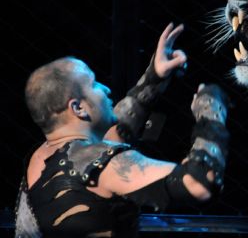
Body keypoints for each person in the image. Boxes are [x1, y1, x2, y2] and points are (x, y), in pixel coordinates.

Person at [14, 23, 231, 238]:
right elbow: (199, 183)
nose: (105, 89)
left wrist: (154, 78)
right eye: (94, 84)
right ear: (77, 108)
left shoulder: (39, 159)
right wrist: (211, 112)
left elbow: (116, 134)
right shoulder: (101, 162)